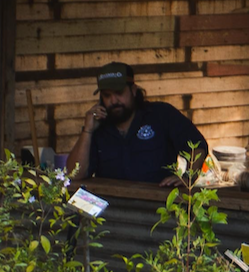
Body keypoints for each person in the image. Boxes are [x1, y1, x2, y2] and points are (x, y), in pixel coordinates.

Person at [69, 62, 206, 187]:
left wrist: (187, 178)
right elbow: (73, 175)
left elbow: (198, 146)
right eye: (107, 95)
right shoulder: (98, 126)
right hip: (110, 203)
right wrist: (87, 130)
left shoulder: (161, 114)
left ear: (133, 90)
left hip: (158, 202)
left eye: (119, 93)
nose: (113, 100)